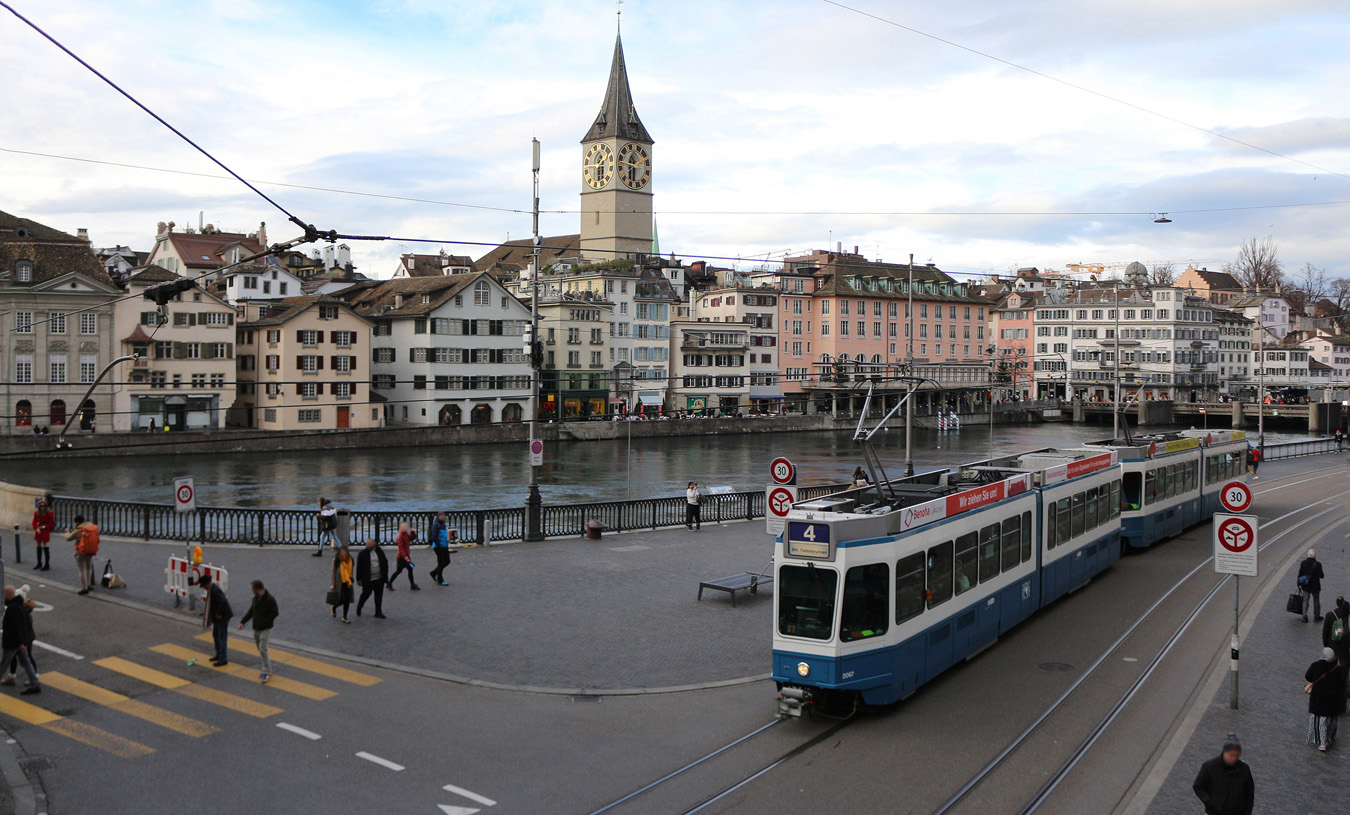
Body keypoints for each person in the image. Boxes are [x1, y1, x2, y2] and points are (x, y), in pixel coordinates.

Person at [1191, 733, 1254, 815]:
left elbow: (1249, 792)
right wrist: (1209, 802)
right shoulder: (1210, 766)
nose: (1234, 758)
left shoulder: (1244, 769)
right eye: (1232, 755)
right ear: (1225, 752)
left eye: (1237, 756)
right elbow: (1198, 786)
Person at [0, 587, 39, 696]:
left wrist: (20, 643)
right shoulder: (18, 606)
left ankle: (34, 683)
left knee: (3, 663)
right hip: (19, 641)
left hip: (13, 642)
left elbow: (17, 627)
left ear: (8, 595)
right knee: (26, 662)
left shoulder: (13, 608)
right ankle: (34, 683)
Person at [237, 580, 278, 684]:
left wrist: (265, 622)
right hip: (256, 628)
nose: (252, 591)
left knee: (263, 649)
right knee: (260, 649)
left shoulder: (269, 599)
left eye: (252, 589)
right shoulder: (255, 599)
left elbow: (275, 612)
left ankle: (267, 671)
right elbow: (251, 611)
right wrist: (243, 622)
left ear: (257, 589)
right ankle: (266, 667)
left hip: (265, 628)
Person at [1305, 647, 1345, 752]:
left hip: (1319, 699)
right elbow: (1343, 684)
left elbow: (1308, 676)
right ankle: (1330, 739)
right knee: (1333, 720)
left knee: (1322, 721)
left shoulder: (1316, 666)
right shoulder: (1338, 669)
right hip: (1335, 700)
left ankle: (1322, 743)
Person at [198, 572, 233, 666]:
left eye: (204, 586)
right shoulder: (212, 589)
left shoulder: (215, 591)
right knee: (216, 635)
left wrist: (218, 613)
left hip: (222, 617)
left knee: (222, 637)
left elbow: (223, 602)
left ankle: (223, 658)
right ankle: (218, 655)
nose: (204, 588)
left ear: (207, 584)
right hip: (218, 618)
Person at [62, 515, 100, 595]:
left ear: (77, 522)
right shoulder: (92, 527)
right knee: (89, 567)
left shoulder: (78, 530)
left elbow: (68, 538)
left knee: (82, 569)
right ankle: (89, 584)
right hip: (91, 550)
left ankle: (84, 588)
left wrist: (67, 532)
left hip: (80, 551)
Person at [355, 538, 388, 619]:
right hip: (368, 579)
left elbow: (384, 562)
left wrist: (385, 575)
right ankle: (360, 606)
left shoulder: (379, 552)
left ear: (374, 545)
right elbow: (359, 567)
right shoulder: (362, 554)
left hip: (379, 578)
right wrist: (359, 579)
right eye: (367, 546)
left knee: (379, 596)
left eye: (370, 546)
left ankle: (378, 612)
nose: (368, 547)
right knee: (366, 594)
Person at [388, 522, 420, 591]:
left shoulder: (406, 535)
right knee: (398, 571)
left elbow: (413, 537)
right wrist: (405, 556)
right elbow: (401, 548)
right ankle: (389, 583)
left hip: (406, 556)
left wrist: (413, 532)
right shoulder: (400, 537)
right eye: (405, 527)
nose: (406, 528)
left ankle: (412, 584)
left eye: (406, 527)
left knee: (410, 568)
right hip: (402, 558)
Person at [1297, 548, 1326, 623]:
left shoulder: (1303, 563)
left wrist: (1299, 584)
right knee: (1316, 600)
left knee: (1305, 600)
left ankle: (1304, 616)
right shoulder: (1318, 564)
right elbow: (1322, 576)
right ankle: (1316, 616)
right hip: (1315, 586)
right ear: (1315, 555)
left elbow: (1300, 574)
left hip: (1306, 585)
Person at [1322, 596, 1350, 669]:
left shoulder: (1330, 615)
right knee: (1343, 663)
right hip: (1344, 644)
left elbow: (1325, 631)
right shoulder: (1346, 615)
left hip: (1332, 643)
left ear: (1337, 604)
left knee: (1331, 663)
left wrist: (1325, 644)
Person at [330, 546, 354, 623]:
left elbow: (350, 572)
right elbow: (333, 573)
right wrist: (332, 584)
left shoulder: (350, 560)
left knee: (346, 600)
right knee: (340, 599)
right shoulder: (336, 561)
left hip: (347, 583)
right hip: (339, 583)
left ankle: (345, 617)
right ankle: (334, 607)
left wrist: (350, 579)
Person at [30, 499, 53, 572]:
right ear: (39, 507)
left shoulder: (49, 513)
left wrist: (44, 527)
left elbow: (51, 523)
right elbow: (34, 522)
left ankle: (47, 564)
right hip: (39, 530)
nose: (42, 507)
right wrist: (36, 528)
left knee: (45, 545)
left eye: (44, 506)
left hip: (45, 530)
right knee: (38, 545)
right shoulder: (36, 513)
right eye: (41, 506)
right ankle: (39, 563)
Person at [428, 512, 451, 587]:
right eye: (441, 516)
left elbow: (444, 534)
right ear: (438, 517)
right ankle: (440, 580)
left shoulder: (443, 524)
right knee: (441, 562)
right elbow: (434, 537)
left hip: (444, 545)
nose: (443, 517)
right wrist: (439, 545)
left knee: (447, 561)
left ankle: (434, 573)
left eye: (444, 515)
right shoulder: (436, 525)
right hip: (438, 547)